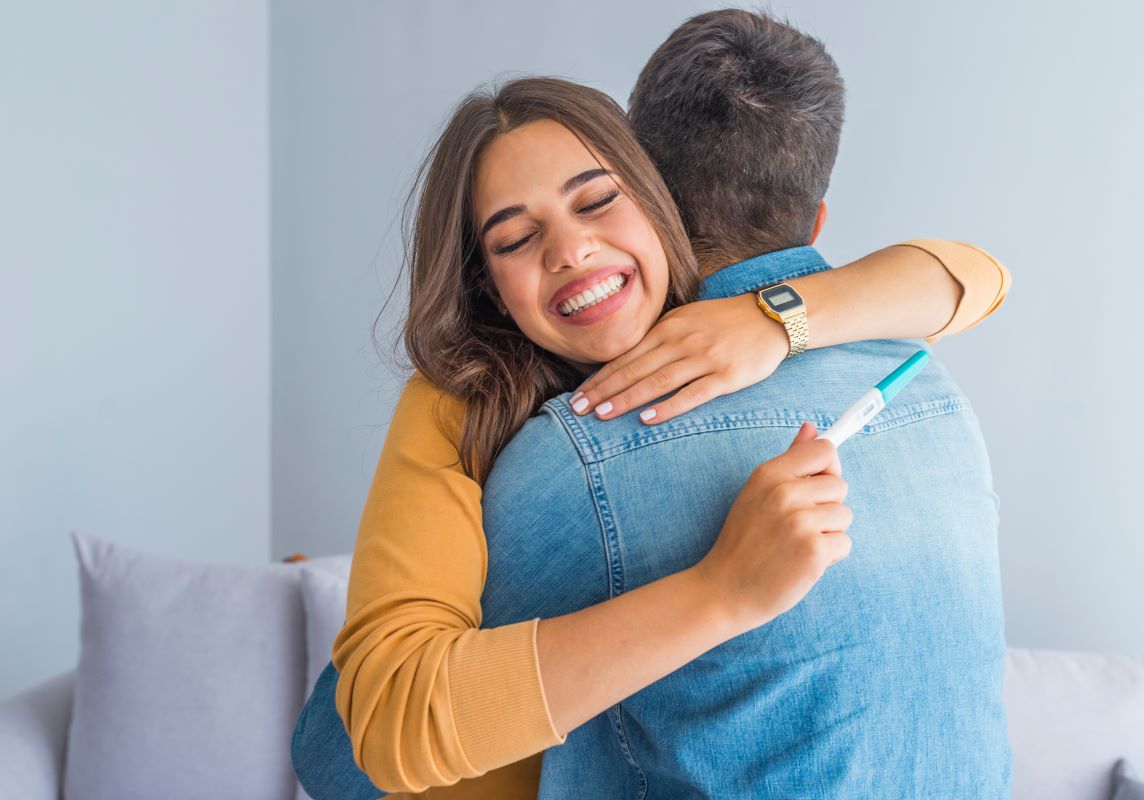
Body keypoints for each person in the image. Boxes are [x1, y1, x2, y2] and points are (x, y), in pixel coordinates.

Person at [293, 23, 1010, 800]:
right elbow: (366, 738)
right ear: (484, 281)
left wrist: (777, 319)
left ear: (655, 195)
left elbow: (976, 274)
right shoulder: (466, 406)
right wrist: (721, 589)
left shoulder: (741, 334)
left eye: (597, 200)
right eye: (515, 238)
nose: (569, 250)